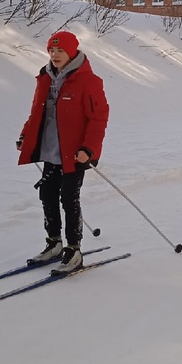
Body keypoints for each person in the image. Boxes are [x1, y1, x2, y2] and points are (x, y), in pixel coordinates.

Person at [16, 31, 109, 272]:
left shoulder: (90, 81)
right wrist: (25, 136)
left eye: (60, 51)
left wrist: (88, 148)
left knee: (69, 196)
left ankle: (74, 250)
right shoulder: (45, 77)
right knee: (47, 194)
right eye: (51, 51)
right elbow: (37, 112)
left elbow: (98, 119)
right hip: (50, 149)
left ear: (72, 52)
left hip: (75, 153)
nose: (55, 55)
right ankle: (54, 243)